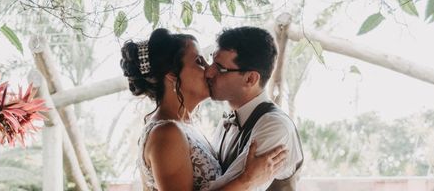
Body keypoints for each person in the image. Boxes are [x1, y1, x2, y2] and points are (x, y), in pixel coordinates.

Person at [121, 28, 288, 191]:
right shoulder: (167, 133)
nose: (209, 70)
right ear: (172, 75)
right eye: (199, 62)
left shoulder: (185, 125)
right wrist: (246, 180)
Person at [205, 26, 304, 191]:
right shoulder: (229, 120)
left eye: (220, 68)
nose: (208, 72)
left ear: (250, 78)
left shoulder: (275, 127)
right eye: (211, 62)